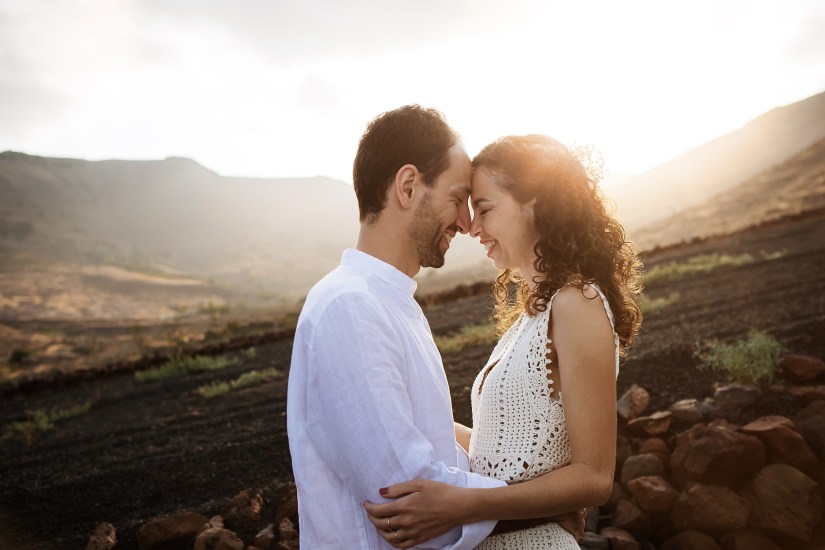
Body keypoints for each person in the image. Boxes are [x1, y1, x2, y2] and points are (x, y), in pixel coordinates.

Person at [287, 107, 582, 549]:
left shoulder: (388, 302)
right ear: (408, 187)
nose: (466, 223)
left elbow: (435, 450)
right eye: (457, 198)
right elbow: (405, 497)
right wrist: (539, 508)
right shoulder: (352, 307)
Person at [364, 135, 644, 549]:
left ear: (535, 203)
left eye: (485, 209)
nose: (473, 228)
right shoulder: (532, 317)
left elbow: (594, 477)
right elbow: (497, 448)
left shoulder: (577, 304)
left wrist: (461, 505)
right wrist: (392, 409)